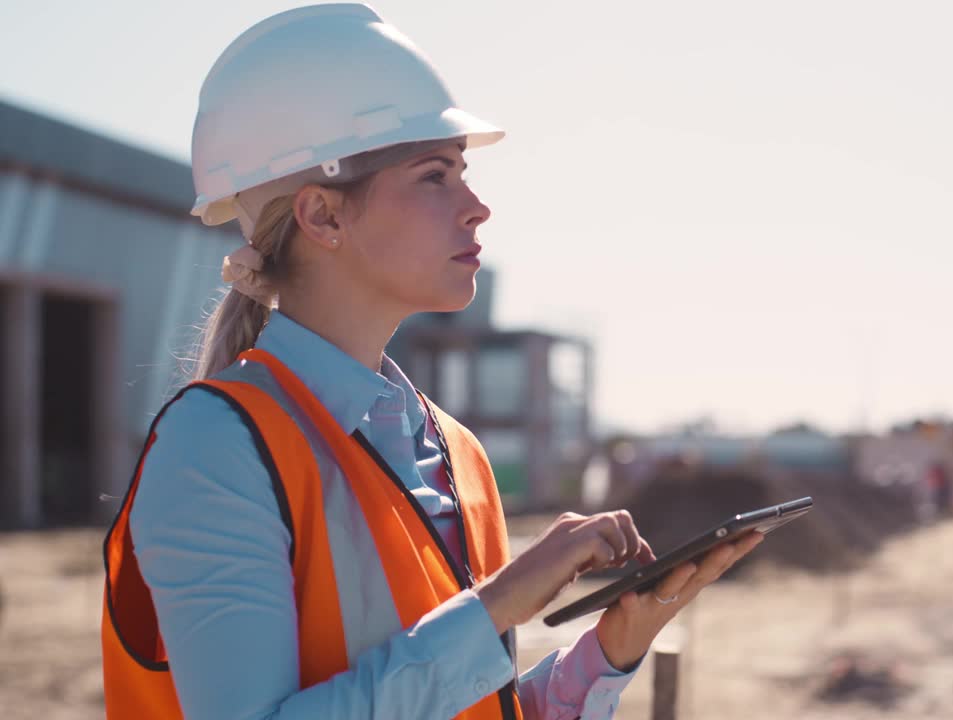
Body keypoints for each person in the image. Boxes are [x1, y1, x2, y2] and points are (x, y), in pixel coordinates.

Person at [100, 5, 762, 719]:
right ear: (323, 216)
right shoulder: (217, 445)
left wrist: (610, 651)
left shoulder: (456, 452)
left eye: (464, 174)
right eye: (434, 175)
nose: (478, 207)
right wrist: (502, 601)